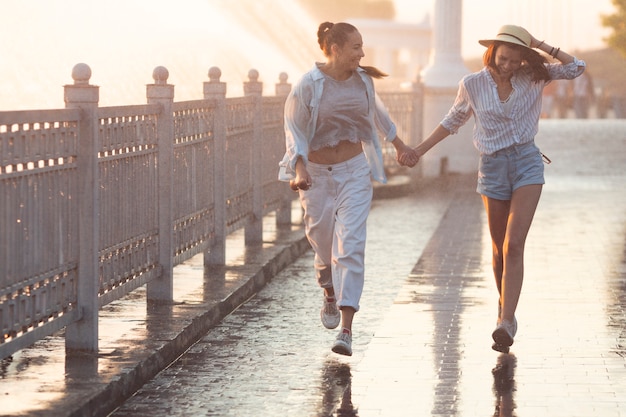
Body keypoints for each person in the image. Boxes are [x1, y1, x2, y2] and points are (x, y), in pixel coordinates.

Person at [404, 25, 586, 353]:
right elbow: (451, 121)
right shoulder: (472, 84)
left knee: (515, 244)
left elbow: (577, 68)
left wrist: (540, 44)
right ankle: (504, 307)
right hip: (492, 167)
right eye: (504, 58)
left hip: (527, 163)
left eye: (516, 60)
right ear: (493, 52)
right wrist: (418, 151)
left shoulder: (533, 75)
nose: (509, 65)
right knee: (499, 248)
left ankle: (506, 321)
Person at [278, 21, 417, 356]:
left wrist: (399, 145)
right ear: (335, 49)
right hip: (315, 173)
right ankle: (328, 288)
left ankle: (347, 329)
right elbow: (294, 131)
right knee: (324, 245)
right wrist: (299, 171)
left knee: (351, 245)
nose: (362, 53)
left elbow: (378, 117)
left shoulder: (363, 82)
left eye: (362, 46)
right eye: (356, 47)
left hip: (354, 170)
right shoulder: (308, 85)